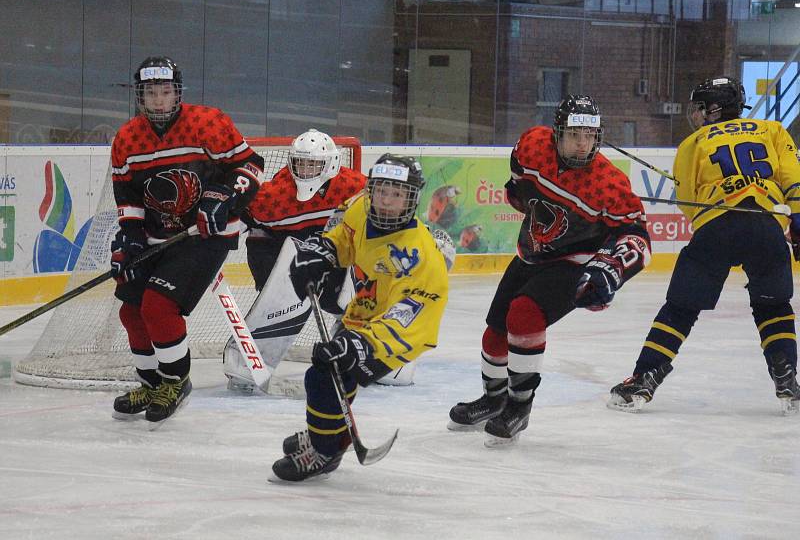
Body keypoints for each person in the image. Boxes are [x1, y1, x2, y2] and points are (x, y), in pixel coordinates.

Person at [448, 95, 651, 446]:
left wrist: (610, 271)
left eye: (590, 136)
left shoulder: (609, 184)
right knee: (495, 333)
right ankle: (494, 399)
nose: (582, 143)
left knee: (523, 316)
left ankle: (519, 407)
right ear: (557, 133)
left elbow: (637, 236)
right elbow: (518, 185)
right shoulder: (532, 146)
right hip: (531, 252)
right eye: (574, 135)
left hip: (574, 261)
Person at [607, 76, 800, 415]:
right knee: (774, 305)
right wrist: (796, 221)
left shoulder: (694, 143)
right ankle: (786, 377)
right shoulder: (772, 130)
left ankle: (646, 376)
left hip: (717, 227)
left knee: (680, 307)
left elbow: (688, 201)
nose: (694, 114)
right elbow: (793, 179)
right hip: (766, 225)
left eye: (699, 107)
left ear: (714, 109)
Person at [271, 154, 450, 481]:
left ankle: (324, 452)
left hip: (398, 334)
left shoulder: (418, 256)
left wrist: (362, 345)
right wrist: (322, 253)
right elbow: (344, 239)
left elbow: (409, 317)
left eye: (397, 194)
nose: (385, 201)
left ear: (411, 199)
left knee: (325, 374)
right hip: (365, 310)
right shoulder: (360, 209)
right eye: (381, 190)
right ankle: (327, 434)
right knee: (333, 375)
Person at [109, 56, 263, 425]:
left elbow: (252, 166)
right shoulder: (127, 138)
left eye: (165, 91)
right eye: (151, 93)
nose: (159, 100)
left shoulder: (209, 123)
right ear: (140, 96)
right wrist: (129, 239)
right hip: (155, 237)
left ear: (177, 93)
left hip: (205, 235)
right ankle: (150, 384)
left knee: (158, 307)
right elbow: (127, 197)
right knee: (131, 310)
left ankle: (175, 382)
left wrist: (223, 197)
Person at [242, 128, 365, 291]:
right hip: (288, 255)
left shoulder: (354, 187)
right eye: (300, 162)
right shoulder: (274, 196)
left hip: (333, 257)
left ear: (332, 163)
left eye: (312, 164)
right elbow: (242, 220)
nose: (305, 171)